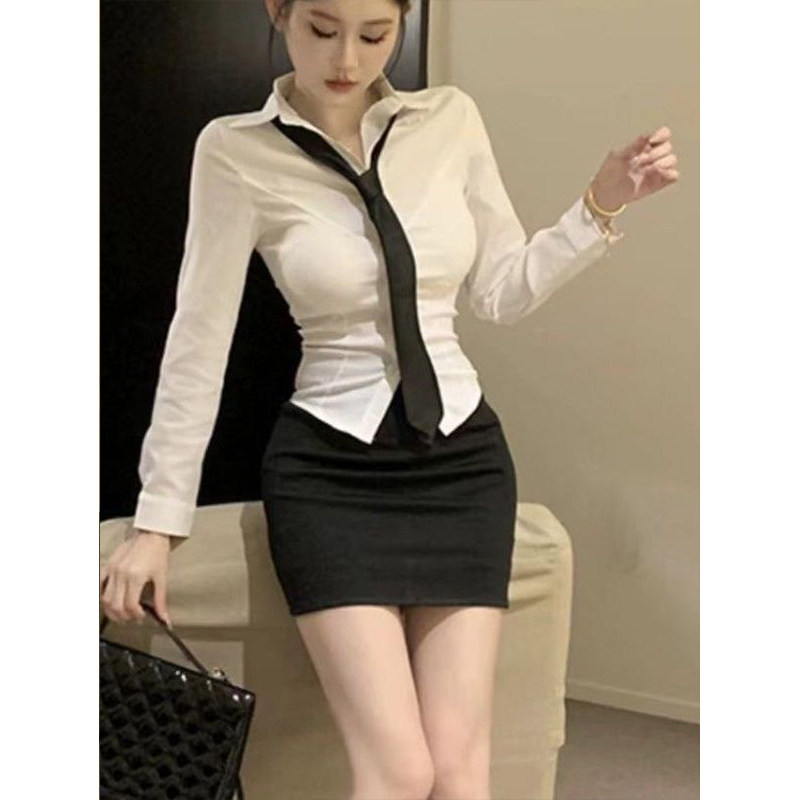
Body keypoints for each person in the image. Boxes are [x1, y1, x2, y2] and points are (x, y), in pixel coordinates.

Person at [100, 0, 680, 797]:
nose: (348, 58)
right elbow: (199, 339)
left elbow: (502, 292)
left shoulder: (449, 120)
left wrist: (599, 206)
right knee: (400, 771)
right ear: (279, 12)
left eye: (375, 34)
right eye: (322, 28)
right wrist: (157, 521)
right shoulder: (234, 150)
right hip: (329, 473)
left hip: (463, 464)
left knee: (461, 774)